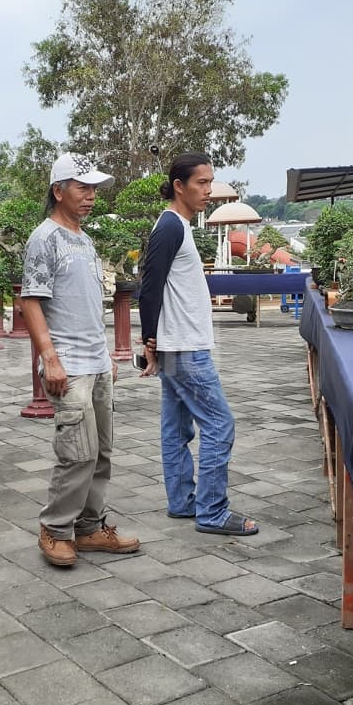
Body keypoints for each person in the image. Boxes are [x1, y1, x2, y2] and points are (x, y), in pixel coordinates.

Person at [20, 152, 141, 566]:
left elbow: (85, 305)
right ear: (58, 191)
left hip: (96, 362)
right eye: (83, 187)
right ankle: (55, 530)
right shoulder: (45, 238)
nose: (91, 196)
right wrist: (50, 359)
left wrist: (105, 354)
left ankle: (89, 528)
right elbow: (30, 302)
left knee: (101, 451)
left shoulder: (85, 241)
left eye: (94, 189)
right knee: (78, 453)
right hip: (68, 364)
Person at [138, 152, 259, 536]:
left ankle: (182, 502)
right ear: (179, 186)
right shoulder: (170, 227)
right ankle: (212, 512)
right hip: (184, 348)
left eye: (210, 182)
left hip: (179, 345)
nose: (208, 190)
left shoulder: (180, 226)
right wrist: (149, 341)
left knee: (177, 428)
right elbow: (148, 286)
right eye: (201, 183)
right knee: (219, 424)